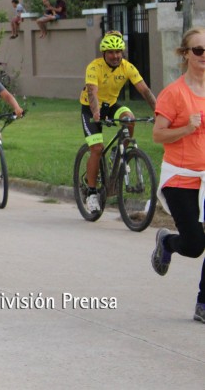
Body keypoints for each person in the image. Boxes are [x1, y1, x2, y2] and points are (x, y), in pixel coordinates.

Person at [151, 27, 205, 322]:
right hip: (181, 178)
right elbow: (158, 135)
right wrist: (187, 128)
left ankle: (203, 304)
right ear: (185, 55)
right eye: (198, 50)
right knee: (195, 245)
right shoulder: (174, 93)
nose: (204, 56)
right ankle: (168, 243)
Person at [79, 31, 156, 213]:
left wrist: (159, 111)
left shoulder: (127, 67)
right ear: (104, 54)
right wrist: (96, 112)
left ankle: (117, 152)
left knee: (129, 119)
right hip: (90, 108)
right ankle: (91, 193)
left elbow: (145, 91)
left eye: (118, 52)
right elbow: (92, 93)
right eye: (111, 52)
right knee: (96, 149)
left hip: (112, 105)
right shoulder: (94, 67)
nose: (115, 56)